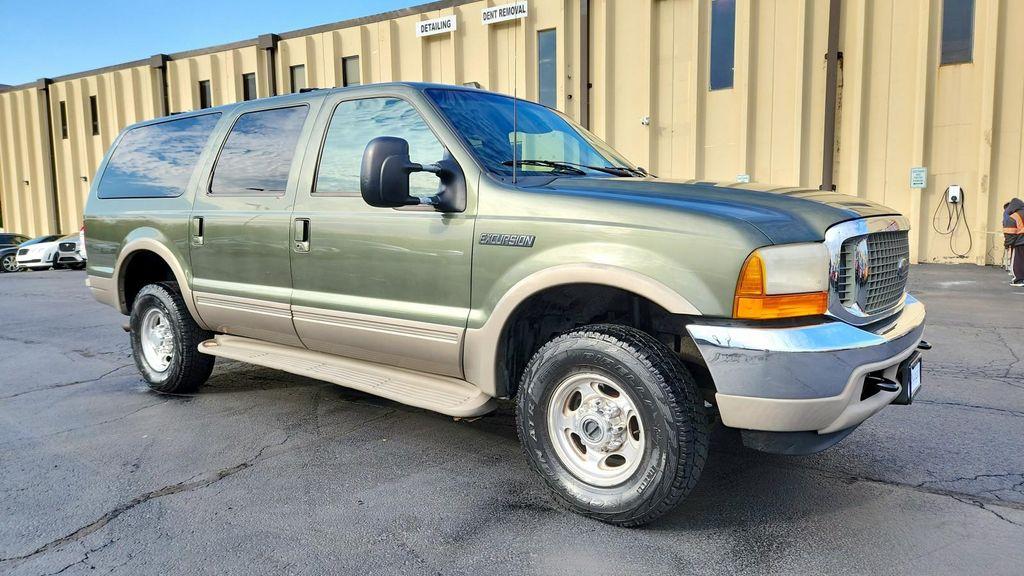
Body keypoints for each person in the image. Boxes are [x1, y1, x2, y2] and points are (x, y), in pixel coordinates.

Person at [1004, 197, 1024, 287]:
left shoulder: (1013, 217)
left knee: (1018, 261)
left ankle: (1019, 280)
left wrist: (1007, 244)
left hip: (1020, 242)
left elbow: (1010, 234)